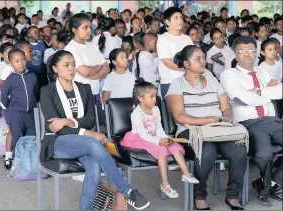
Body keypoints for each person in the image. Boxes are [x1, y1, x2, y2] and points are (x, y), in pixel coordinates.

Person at [40, 50, 150, 210]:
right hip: (58, 143)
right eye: (66, 65)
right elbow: (56, 128)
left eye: (73, 64)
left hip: (82, 143)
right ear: (55, 68)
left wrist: (67, 121)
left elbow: (90, 119)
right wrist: (88, 132)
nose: (71, 68)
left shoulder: (84, 88)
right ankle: (126, 190)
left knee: (94, 169)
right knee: (92, 143)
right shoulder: (47, 91)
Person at [167, 45, 247, 210]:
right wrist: (205, 120)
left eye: (204, 58)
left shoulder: (212, 80)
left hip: (218, 127)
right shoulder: (177, 84)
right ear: (186, 64)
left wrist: (226, 118)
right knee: (207, 152)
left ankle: (233, 195)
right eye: (198, 59)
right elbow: (179, 116)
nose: (204, 61)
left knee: (239, 151)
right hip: (191, 130)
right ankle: (199, 195)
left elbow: (226, 106)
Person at [220, 36, 283, 206]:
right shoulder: (228, 75)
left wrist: (256, 92)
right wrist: (266, 92)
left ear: (256, 53)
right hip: (251, 122)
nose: (247, 54)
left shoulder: (264, 72)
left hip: (273, 120)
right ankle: (267, 184)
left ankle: (272, 182)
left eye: (251, 50)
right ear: (235, 54)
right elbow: (240, 98)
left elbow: (280, 92)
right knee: (264, 154)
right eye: (242, 50)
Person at [121, 78, 199, 198]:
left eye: (155, 96)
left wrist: (165, 138)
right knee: (161, 149)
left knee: (174, 145)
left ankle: (186, 173)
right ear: (141, 98)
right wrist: (159, 141)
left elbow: (159, 129)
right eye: (151, 97)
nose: (154, 99)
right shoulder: (136, 113)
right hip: (138, 138)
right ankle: (165, 184)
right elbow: (142, 134)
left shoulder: (156, 110)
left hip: (154, 136)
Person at [64, 13, 109, 129]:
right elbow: (85, 72)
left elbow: (106, 68)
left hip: (95, 92)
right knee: (86, 130)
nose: (89, 31)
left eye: (90, 27)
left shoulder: (92, 45)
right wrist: (98, 67)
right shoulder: (70, 49)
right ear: (74, 30)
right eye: (85, 28)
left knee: (101, 127)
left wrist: (94, 73)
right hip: (80, 95)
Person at [0, 49, 38, 164]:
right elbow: (3, 98)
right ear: (11, 64)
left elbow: (35, 92)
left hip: (30, 112)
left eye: (23, 60)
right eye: (17, 61)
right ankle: (18, 164)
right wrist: (11, 108)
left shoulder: (32, 76)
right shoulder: (10, 79)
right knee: (17, 137)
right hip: (15, 113)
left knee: (32, 136)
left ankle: (30, 162)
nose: (21, 63)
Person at [157, 7, 194, 97]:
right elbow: (168, 62)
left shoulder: (187, 38)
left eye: (181, 17)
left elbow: (193, 57)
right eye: (176, 18)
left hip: (188, 81)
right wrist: (187, 68)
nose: (180, 20)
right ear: (167, 22)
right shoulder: (163, 38)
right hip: (170, 82)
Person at [26, 26, 48, 91]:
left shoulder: (42, 44)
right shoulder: (26, 45)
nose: (37, 33)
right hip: (30, 72)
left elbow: (44, 57)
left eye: (38, 31)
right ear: (28, 35)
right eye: (34, 32)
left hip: (41, 72)